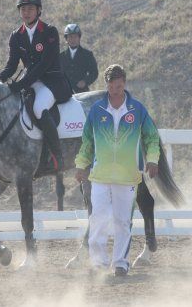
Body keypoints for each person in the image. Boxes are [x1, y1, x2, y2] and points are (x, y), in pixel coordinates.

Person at [75, 64, 159, 276]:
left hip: (128, 176)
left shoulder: (137, 109)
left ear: (125, 84)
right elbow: (87, 141)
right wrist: (81, 164)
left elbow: (151, 137)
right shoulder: (96, 110)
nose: (116, 90)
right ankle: (99, 262)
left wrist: (153, 159)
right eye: (112, 86)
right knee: (98, 219)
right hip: (100, 175)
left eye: (119, 86)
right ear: (107, 85)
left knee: (123, 221)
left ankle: (120, 262)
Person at [0, 0, 72, 172]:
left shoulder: (50, 31)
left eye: (30, 8)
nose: (26, 12)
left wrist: (21, 84)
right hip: (32, 82)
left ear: (38, 10)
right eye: (23, 9)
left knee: (39, 108)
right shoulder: (16, 36)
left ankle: (57, 156)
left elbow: (44, 64)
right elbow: (11, 65)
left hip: (53, 82)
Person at [59, 23, 99, 93]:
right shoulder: (60, 56)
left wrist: (85, 81)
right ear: (66, 39)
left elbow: (94, 72)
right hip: (64, 93)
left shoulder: (87, 55)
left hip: (82, 93)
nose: (73, 39)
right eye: (70, 37)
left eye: (75, 37)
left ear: (79, 37)